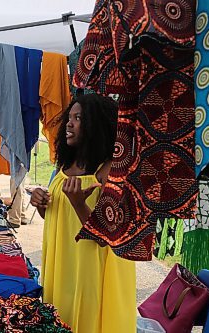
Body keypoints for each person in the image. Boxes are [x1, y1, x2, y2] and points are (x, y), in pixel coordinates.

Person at [30, 94, 136, 332]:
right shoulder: (65, 165)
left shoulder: (110, 171)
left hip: (90, 267)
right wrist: (41, 204)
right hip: (63, 260)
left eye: (78, 118)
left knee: (86, 321)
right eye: (70, 117)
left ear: (96, 126)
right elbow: (58, 219)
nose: (69, 123)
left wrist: (79, 204)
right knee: (61, 315)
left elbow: (110, 235)